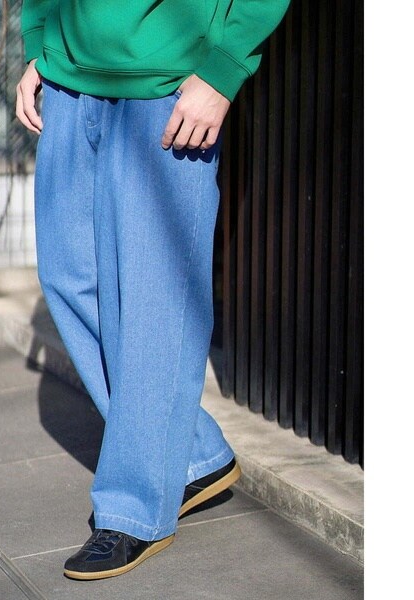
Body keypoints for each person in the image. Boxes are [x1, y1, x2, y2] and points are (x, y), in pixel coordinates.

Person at [16, 0, 290, 581]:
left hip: (166, 83)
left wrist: (223, 68)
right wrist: (40, 41)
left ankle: (135, 509)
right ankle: (190, 455)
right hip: (67, 74)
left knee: (153, 302)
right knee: (68, 278)